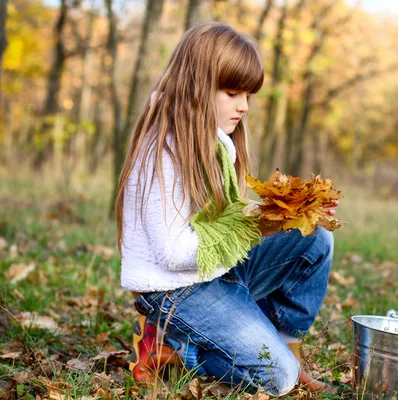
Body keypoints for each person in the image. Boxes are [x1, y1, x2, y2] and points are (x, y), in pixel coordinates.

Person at [115, 22, 337, 396]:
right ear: (196, 87)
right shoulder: (165, 151)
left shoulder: (215, 142)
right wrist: (254, 226)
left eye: (248, 95)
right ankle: (175, 349)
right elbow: (173, 253)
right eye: (232, 92)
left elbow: (218, 222)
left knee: (313, 236)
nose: (244, 106)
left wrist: (285, 215)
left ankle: (284, 348)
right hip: (174, 290)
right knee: (275, 378)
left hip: (209, 273)